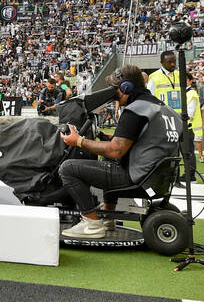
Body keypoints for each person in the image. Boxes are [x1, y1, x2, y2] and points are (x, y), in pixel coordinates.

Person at [56, 65, 165, 239]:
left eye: (116, 88)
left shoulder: (135, 110)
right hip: (155, 176)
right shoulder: (156, 105)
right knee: (108, 161)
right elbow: (141, 140)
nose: (113, 93)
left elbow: (115, 151)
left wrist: (79, 141)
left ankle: (91, 223)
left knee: (68, 168)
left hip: (136, 177)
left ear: (126, 88)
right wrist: (110, 137)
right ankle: (108, 218)